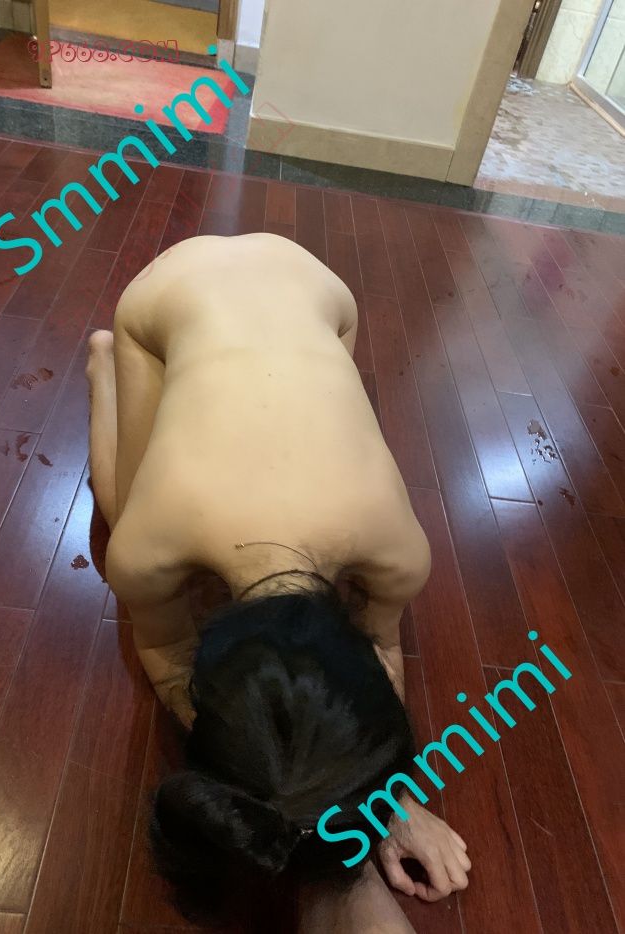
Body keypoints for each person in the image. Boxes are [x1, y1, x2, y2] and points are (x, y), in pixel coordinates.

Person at [86, 232, 470, 932]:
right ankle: (102, 363)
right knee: (120, 506)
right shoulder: (150, 547)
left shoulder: (397, 551)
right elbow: (166, 652)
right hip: (169, 296)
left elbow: (380, 652)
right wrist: (299, 775)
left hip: (322, 295)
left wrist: (386, 798)